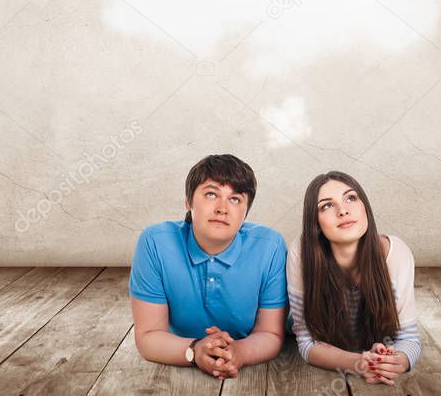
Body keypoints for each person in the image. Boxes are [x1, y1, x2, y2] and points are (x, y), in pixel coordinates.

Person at [129, 154, 287, 379]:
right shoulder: (155, 242)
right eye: (211, 194)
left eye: (235, 199)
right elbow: (148, 336)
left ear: (246, 212)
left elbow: (270, 333)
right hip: (183, 345)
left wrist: (239, 352)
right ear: (188, 201)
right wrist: (194, 350)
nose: (222, 208)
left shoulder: (270, 247)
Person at [287, 171, 421, 386]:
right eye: (327, 206)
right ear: (316, 224)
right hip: (299, 326)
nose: (343, 210)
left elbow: (409, 338)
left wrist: (394, 361)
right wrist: (360, 362)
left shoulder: (396, 254)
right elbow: (306, 341)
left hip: (369, 339)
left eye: (351, 198)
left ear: (364, 207)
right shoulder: (301, 253)